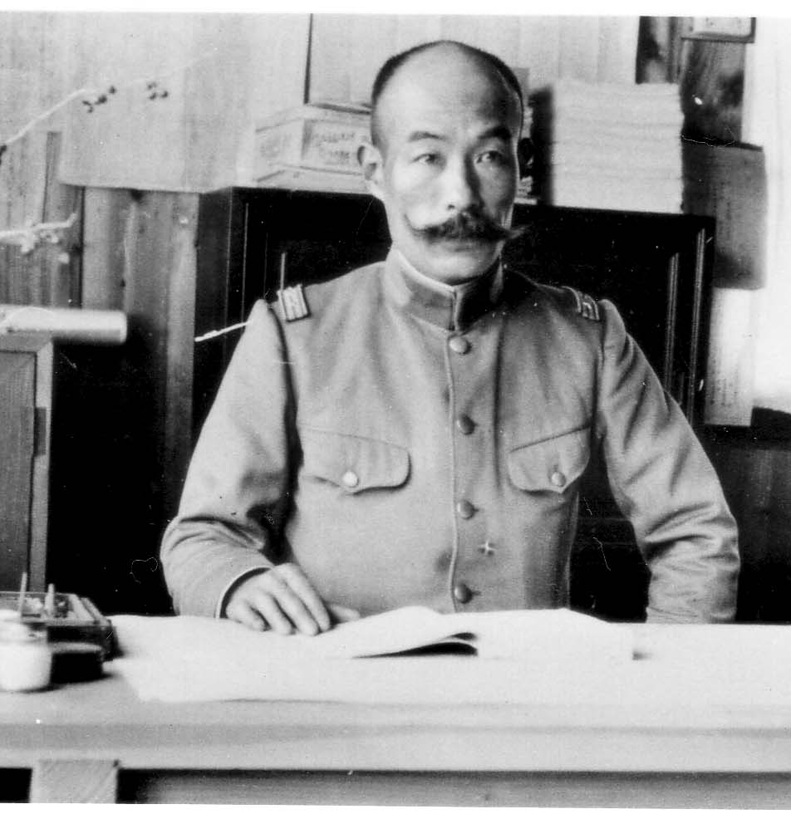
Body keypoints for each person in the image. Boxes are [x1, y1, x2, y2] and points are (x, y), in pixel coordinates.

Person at [161, 40, 738, 635]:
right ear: (375, 172)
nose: (461, 194)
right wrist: (240, 582)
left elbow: (696, 529)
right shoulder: (293, 336)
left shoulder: (590, 339)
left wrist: (670, 666)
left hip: (521, 687)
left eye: (489, 156)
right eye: (428, 157)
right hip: (340, 685)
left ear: (522, 167)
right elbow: (202, 537)